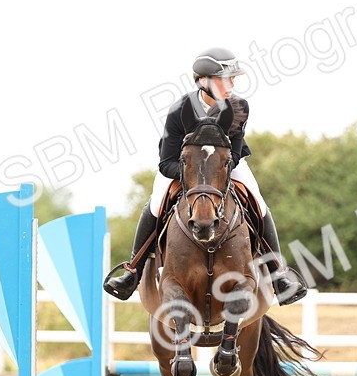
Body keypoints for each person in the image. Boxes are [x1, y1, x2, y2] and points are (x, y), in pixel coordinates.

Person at [104, 47, 308, 305]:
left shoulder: (238, 107)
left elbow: (233, 152)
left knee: (259, 202)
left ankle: (279, 275)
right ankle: (132, 271)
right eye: (226, 79)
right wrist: (194, 176)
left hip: (224, 166)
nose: (232, 85)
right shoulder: (180, 109)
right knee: (156, 204)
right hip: (182, 166)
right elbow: (166, 161)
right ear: (204, 81)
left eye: (233, 79)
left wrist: (214, 175)